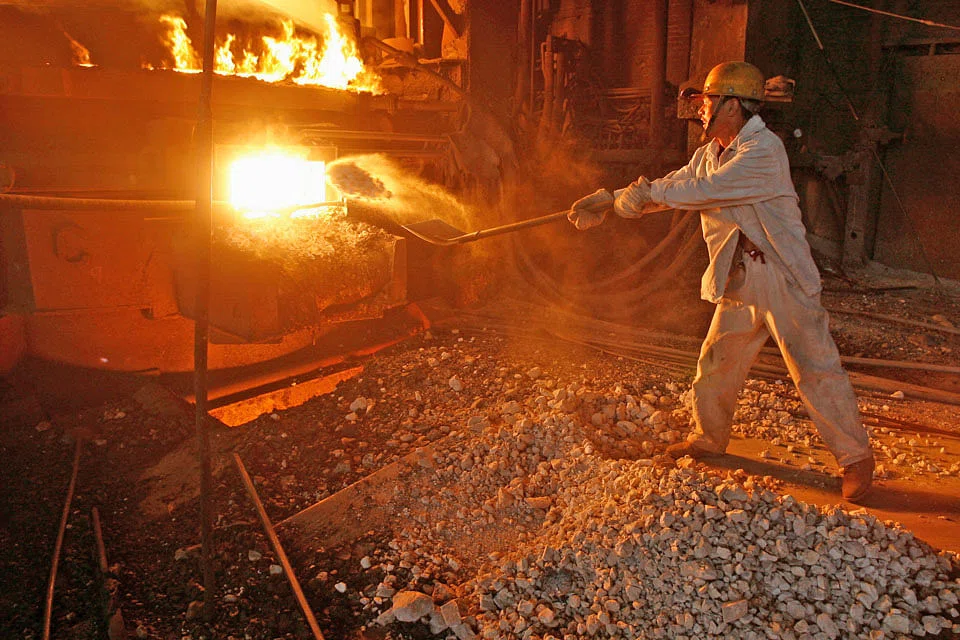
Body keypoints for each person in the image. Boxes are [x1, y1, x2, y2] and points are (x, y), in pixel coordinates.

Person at [567, 61, 875, 501]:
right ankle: (709, 440)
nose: (701, 109)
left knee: (814, 369)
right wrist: (611, 201)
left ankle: (856, 459)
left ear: (733, 105)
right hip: (740, 274)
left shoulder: (763, 151)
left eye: (708, 100)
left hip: (782, 277)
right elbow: (676, 184)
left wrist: (644, 194)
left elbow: (700, 192)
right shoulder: (710, 153)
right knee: (716, 363)